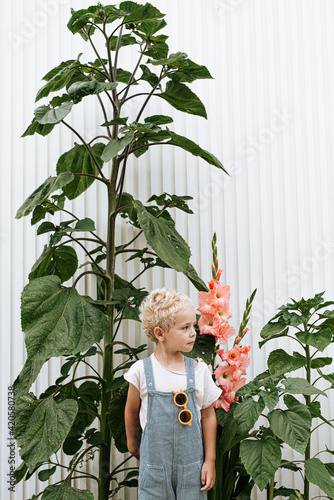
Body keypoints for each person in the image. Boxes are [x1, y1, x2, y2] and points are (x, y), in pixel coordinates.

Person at [124, 287, 222, 499]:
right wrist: (132, 444)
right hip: (154, 471)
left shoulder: (199, 370)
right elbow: (131, 411)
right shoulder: (141, 371)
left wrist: (210, 460)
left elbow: (207, 416)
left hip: (192, 470)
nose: (193, 332)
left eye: (193, 325)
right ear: (160, 334)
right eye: (185, 328)